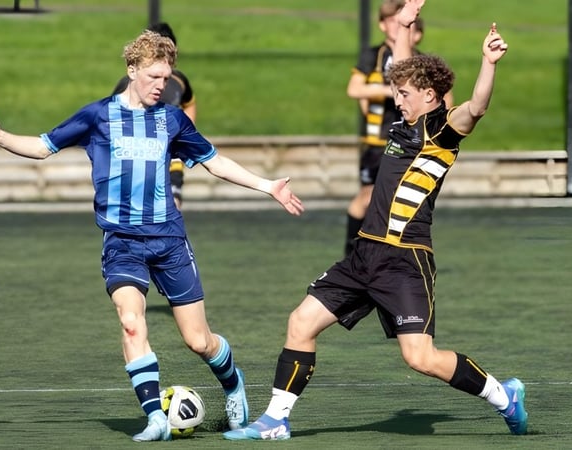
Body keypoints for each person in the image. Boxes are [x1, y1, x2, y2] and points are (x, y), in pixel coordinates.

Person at [0, 30, 304, 441]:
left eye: (167, 78)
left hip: (168, 241)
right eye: (154, 77)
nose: (163, 86)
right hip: (121, 241)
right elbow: (43, 146)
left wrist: (268, 186)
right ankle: (155, 417)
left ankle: (232, 383)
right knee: (130, 323)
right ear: (131, 71)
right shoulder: (98, 116)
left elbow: (215, 162)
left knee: (198, 340)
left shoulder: (172, 119)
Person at [225, 0, 527, 441]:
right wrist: (404, 22)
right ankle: (275, 420)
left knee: (420, 358)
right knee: (300, 322)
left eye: (404, 95)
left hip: (405, 260)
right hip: (364, 252)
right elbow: (404, 68)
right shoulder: (404, 127)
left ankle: (504, 396)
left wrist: (488, 62)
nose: (396, 100)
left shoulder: (442, 132)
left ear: (429, 96)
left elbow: (477, 107)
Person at [344, 0, 450, 257]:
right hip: (377, 140)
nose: (398, 27)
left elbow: (446, 99)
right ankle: (352, 252)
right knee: (367, 196)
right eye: (392, 21)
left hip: (411, 142)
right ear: (382, 25)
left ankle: (392, 251)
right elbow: (354, 89)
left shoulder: (423, 62)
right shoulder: (373, 56)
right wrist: (390, 91)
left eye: (405, 22)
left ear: (418, 31)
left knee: (404, 198)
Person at [111, 22, 195, 210]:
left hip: (170, 159)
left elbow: (190, 103)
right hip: (136, 163)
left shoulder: (179, 81)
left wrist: (187, 134)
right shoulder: (125, 88)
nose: (161, 84)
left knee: (172, 206)